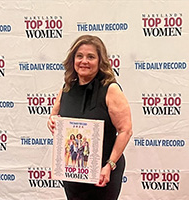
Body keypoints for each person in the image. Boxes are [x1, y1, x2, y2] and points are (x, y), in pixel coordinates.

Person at [47, 35, 133, 200]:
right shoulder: (66, 89)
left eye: (91, 57)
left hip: (103, 172)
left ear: (100, 61)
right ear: (73, 60)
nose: (84, 61)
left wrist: (110, 165)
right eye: (79, 56)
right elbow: (54, 117)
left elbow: (125, 130)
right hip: (73, 171)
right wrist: (51, 121)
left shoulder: (110, 89)